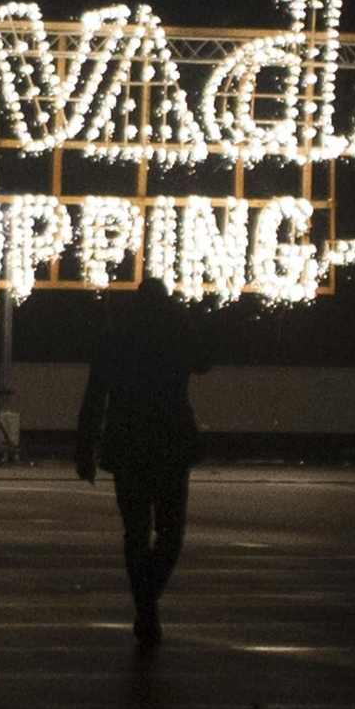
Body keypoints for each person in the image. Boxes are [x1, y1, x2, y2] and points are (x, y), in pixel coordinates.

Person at [75, 277, 211, 648]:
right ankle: (149, 600)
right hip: (170, 441)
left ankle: (146, 605)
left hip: (128, 439)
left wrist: (85, 447)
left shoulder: (116, 336)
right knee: (171, 531)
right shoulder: (176, 332)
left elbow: (95, 394)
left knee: (135, 532)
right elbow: (205, 361)